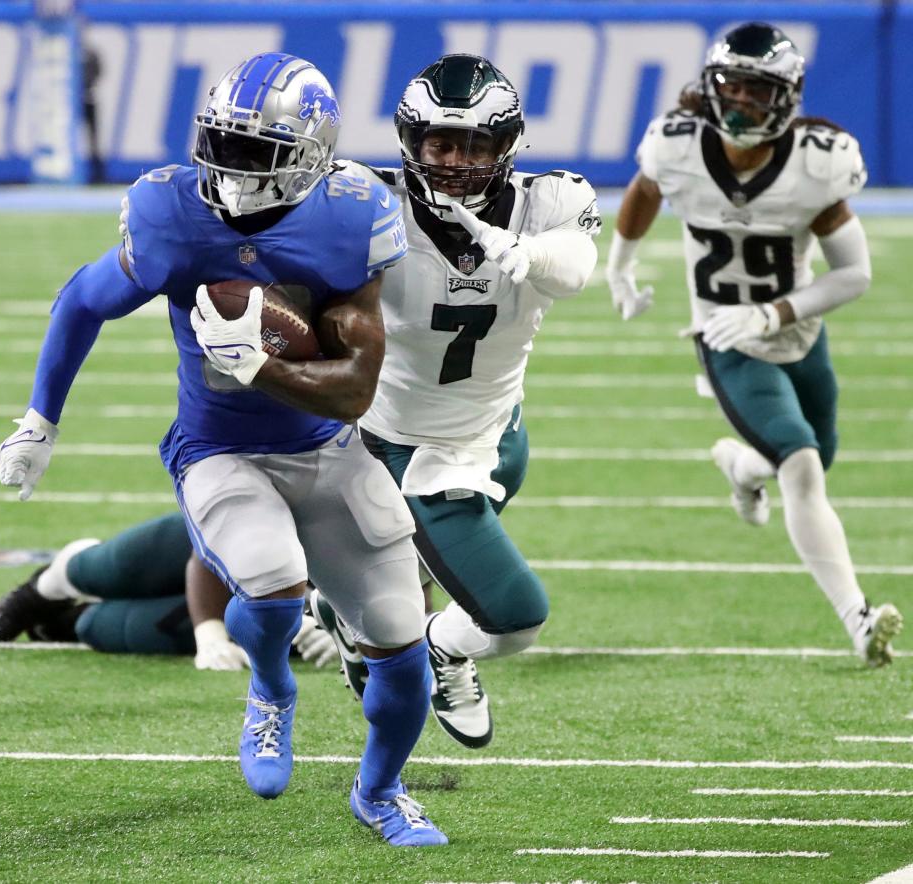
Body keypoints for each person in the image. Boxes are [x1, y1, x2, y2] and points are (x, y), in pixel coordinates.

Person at [0, 52, 447, 846]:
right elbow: (84, 299)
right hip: (217, 449)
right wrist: (40, 421)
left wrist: (263, 366)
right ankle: (272, 689)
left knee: (406, 649)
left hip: (329, 447)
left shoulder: (351, 215)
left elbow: (356, 389)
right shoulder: (172, 211)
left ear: (310, 155)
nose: (229, 168)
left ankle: (381, 792)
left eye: (255, 152)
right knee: (272, 582)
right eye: (223, 143)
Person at [311, 54, 601, 748]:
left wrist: (529, 254)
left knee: (405, 567)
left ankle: (351, 617)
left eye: (475, 143)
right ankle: (442, 648)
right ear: (411, 142)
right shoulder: (369, 204)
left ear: (508, 146)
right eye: (441, 141)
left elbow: (577, 268)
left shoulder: (547, 202)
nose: (456, 161)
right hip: (412, 449)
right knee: (514, 614)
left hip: (500, 433)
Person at [604, 22, 903, 666]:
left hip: (795, 332)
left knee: (817, 455)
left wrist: (774, 314)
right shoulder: (677, 147)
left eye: (755, 92)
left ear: (786, 98)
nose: (740, 105)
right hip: (724, 337)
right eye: (730, 89)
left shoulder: (816, 163)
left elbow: (855, 274)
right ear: (710, 89)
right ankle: (857, 618)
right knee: (800, 464)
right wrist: (618, 267)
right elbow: (645, 192)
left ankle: (740, 468)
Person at [0, 513, 337, 672]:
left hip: (266, 614)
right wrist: (209, 635)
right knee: (114, 569)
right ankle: (49, 585)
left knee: (96, 628)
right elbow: (213, 545)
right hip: (219, 549)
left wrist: (346, 634)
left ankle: (68, 619)